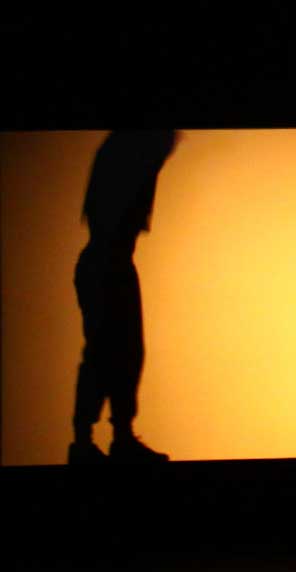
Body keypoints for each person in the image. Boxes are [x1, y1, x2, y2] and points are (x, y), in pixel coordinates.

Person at [69, 130, 178, 464]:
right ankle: (87, 442)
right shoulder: (124, 155)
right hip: (106, 265)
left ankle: (116, 438)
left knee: (123, 354)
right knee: (106, 353)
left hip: (111, 265)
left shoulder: (123, 155)